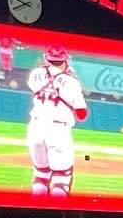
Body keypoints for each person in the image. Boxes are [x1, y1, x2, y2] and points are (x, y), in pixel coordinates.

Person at [26, 44, 88, 197]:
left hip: (35, 127)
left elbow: (37, 84)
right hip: (58, 130)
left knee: (41, 174)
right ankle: (60, 217)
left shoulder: (36, 73)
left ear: (47, 59)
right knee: (62, 177)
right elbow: (81, 113)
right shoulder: (71, 82)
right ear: (65, 60)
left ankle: (36, 210)